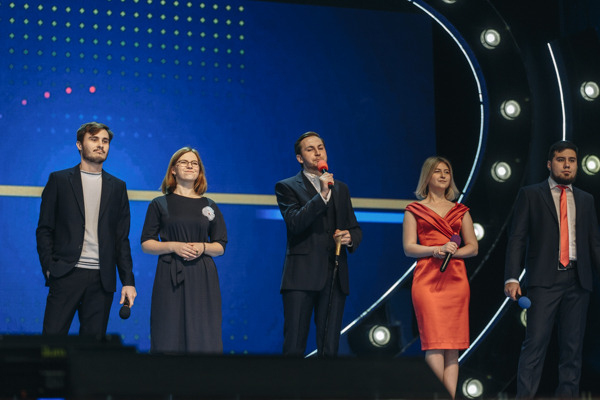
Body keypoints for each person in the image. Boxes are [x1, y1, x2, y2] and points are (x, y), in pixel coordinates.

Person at [504, 140, 600, 399]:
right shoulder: (531, 194)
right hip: (544, 280)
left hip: (578, 281)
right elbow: (517, 238)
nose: (567, 165)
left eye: (571, 160)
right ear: (549, 164)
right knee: (535, 344)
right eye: (561, 160)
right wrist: (512, 277)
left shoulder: (586, 199)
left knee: (572, 348)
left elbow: (594, 243)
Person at [36, 122, 137, 335]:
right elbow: (45, 229)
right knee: (51, 343)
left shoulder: (118, 187)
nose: (100, 145)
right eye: (94, 139)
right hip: (66, 274)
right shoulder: (59, 180)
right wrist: (50, 268)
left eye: (105, 141)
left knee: (92, 348)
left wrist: (128, 281)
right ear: (79, 145)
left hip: (102, 279)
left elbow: (121, 239)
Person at [275, 131, 362, 357]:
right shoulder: (286, 186)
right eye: (310, 149)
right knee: (294, 345)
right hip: (301, 276)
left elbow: (354, 227)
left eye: (320, 148)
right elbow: (295, 223)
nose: (317, 153)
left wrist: (349, 237)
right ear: (299, 158)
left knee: (329, 347)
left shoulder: (341, 188)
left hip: (334, 275)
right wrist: (322, 195)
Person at [402, 156, 478, 399]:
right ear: (427, 177)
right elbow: (409, 248)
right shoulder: (414, 210)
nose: (444, 175)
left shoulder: (461, 211)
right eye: (437, 171)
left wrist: (453, 252)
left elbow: (473, 247)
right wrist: (436, 249)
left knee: (453, 347)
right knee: (434, 343)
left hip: (456, 281)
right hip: (427, 279)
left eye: (447, 171)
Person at [141, 147, 227, 353]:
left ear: (199, 171)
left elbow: (220, 246)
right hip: (170, 273)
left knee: (203, 332)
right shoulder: (159, 204)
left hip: (202, 276)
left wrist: (202, 247)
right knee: (168, 330)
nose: (190, 166)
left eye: (194, 163)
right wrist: (173, 246)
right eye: (184, 162)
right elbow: (146, 243)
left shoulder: (210, 205)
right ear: (173, 170)